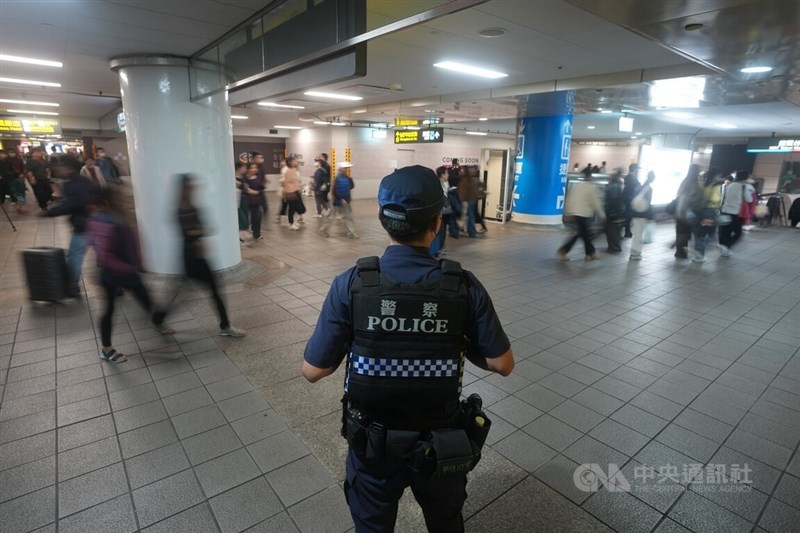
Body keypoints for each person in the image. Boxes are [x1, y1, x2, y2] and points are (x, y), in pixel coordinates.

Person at [301, 165, 514, 532]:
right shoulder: (462, 285)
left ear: (384, 220)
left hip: (373, 444)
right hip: (441, 441)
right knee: (445, 521)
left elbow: (313, 370)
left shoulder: (353, 284)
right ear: (436, 221)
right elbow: (502, 363)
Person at [88, 185, 173, 363]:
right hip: (112, 275)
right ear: (111, 200)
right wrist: (130, 268)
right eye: (121, 196)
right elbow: (105, 255)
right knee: (109, 310)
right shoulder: (104, 221)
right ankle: (106, 349)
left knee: (148, 301)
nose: (126, 199)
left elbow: (133, 244)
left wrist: (141, 263)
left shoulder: (124, 218)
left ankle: (159, 323)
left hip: (128, 271)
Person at [176, 175, 245, 337]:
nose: (192, 189)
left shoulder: (192, 207)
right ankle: (158, 318)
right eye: (189, 187)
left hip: (199, 257)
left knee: (214, 290)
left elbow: (204, 229)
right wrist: (200, 231)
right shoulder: (181, 209)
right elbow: (191, 231)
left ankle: (225, 325)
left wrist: (199, 231)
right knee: (180, 296)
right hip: (190, 258)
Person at [42, 158, 97, 297]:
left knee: (75, 256)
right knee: (103, 254)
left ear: (68, 168)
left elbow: (72, 203)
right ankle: (117, 285)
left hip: (82, 226)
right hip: (97, 223)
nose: (59, 170)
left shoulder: (72, 184)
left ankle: (72, 287)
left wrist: (50, 212)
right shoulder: (85, 181)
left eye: (61, 167)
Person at [557, 167, 605, 261]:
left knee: (583, 234)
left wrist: (567, 212)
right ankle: (563, 251)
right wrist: (603, 215)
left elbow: (570, 200)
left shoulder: (577, 186)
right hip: (584, 214)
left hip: (576, 214)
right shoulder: (591, 188)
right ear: (590, 176)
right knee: (583, 234)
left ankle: (589, 254)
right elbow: (596, 203)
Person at [688, 167, 724, 263]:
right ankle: (699, 253)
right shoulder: (715, 187)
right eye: (719, 176)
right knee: (711, 235)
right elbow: (715, 201)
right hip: (710, 212)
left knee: (701, 234)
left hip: (701, 212)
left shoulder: (704, 185)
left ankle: (698, 254)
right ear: (715, 176)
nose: (720, 178)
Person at [718, 170, 756, 257]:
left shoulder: (731, 185)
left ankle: (724, 250)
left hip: (725, 211)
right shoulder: (745, 186)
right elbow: (749, 199)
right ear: (746, 177)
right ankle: (726, 247)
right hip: (736, 213)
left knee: (725, 232)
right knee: (738, 233)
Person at [320, 161, 358, 239]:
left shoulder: (347, 178)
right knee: (331, 217)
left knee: (348, 217)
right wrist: (341, 199)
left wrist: (350, 179)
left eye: (347, 168)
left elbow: (351, 186)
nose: (347, 169)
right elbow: (334, 191)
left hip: (346, 201)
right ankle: (323, 230)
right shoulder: (337, 178)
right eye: (345, 168)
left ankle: (351, 233)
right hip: (338, 202)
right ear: (341, 169)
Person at [673, 164, 703, 259]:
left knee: (681, 232)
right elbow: (695, 200)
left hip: (679, 211)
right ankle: (681, 252)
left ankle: (679, 252)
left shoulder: (684, 182)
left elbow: (678, 196)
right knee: (685, 234)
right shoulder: (694, 184)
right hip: (687, 213)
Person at [629, 171, 656, 261]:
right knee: (639, 235)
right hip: (642, 214)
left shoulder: (641, 186)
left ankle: (633, 252)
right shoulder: (649, 189)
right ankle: (635, 253)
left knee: (636, 234)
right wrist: (650, 217)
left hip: (635, 213)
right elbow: (648, 203)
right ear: (653, 178)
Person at [429, 166, 453, 258]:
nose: (448, 174)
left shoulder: (445, 183)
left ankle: (439, 248)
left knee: (442, 230)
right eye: (447, 173)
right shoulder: (437, 185)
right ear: (442, 175)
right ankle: (436, 249)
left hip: (444, 211)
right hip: (439, 211)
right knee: (439, 230)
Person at [603, 169, 625, 253]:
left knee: (612, 229)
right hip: (614, 211)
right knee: (614, 229)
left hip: (611, 210)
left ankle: (614, 246)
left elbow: (613, 199)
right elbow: (615, 200)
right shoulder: (616, 186)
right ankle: (614, 246)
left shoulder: (613, 185)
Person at [243, 162, 266, 241]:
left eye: (255, 167)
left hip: (256, 201)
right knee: (246, 218)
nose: (254, 169)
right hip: (247, 201)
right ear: (248, 169)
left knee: (257, 217)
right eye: (252, 167)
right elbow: (245, 188)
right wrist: (251, 191)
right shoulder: (245, 178)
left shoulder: (258, 177)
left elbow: (261, 188)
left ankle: (257, 234)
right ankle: (246, 233)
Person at [282, 156, 306, 230]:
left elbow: (295, 182)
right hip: (291, 193)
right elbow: (286, 183)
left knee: (294, 208)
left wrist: (300, 186)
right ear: (290, 163)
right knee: (291, 209)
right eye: (294, 161)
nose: (296, 162)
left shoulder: (294, 170)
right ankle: (291, 224)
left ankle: (292, 223)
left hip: (295, 192)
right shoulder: (289, 171)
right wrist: (285, 194)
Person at [458, 165, 480, 237]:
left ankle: (471, 231)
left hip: (468, 199)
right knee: (470, 215)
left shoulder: (466, 178)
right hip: (470, 199)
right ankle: (471, 232)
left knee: (469, 215)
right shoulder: (472, 178)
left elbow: (463, 190)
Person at [622, 163, 640, 238]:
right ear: (635, 169)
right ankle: (627, 231)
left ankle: (627, 231)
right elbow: (636, 190)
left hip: (625, 199)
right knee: (628, 216)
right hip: (630, 200)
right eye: (637, 169)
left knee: (627, 215)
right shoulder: (633, 179)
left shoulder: (626, 177)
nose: (637, 171)